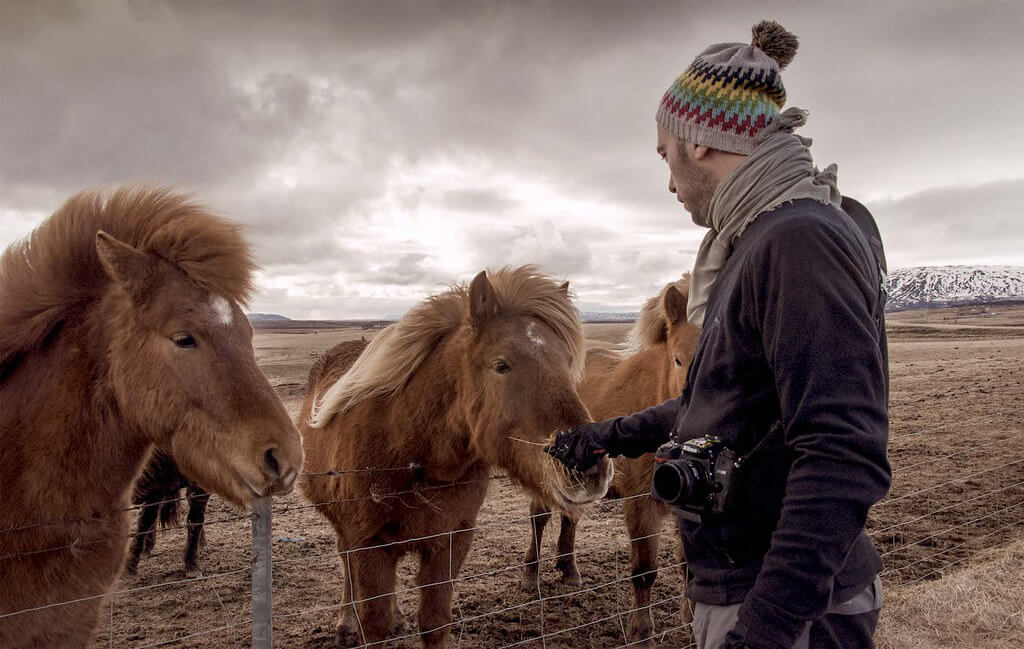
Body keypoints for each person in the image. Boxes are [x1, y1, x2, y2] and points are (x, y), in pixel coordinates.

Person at [546, 20, 891, 649]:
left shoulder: (798, 241)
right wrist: (608, 435)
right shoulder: (753, 243)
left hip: (781, 606)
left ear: (700, 140)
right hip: (751, 589)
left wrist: (764, 631)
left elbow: (843, 456)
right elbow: (733, 407)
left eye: (663, 153)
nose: (668, 180)